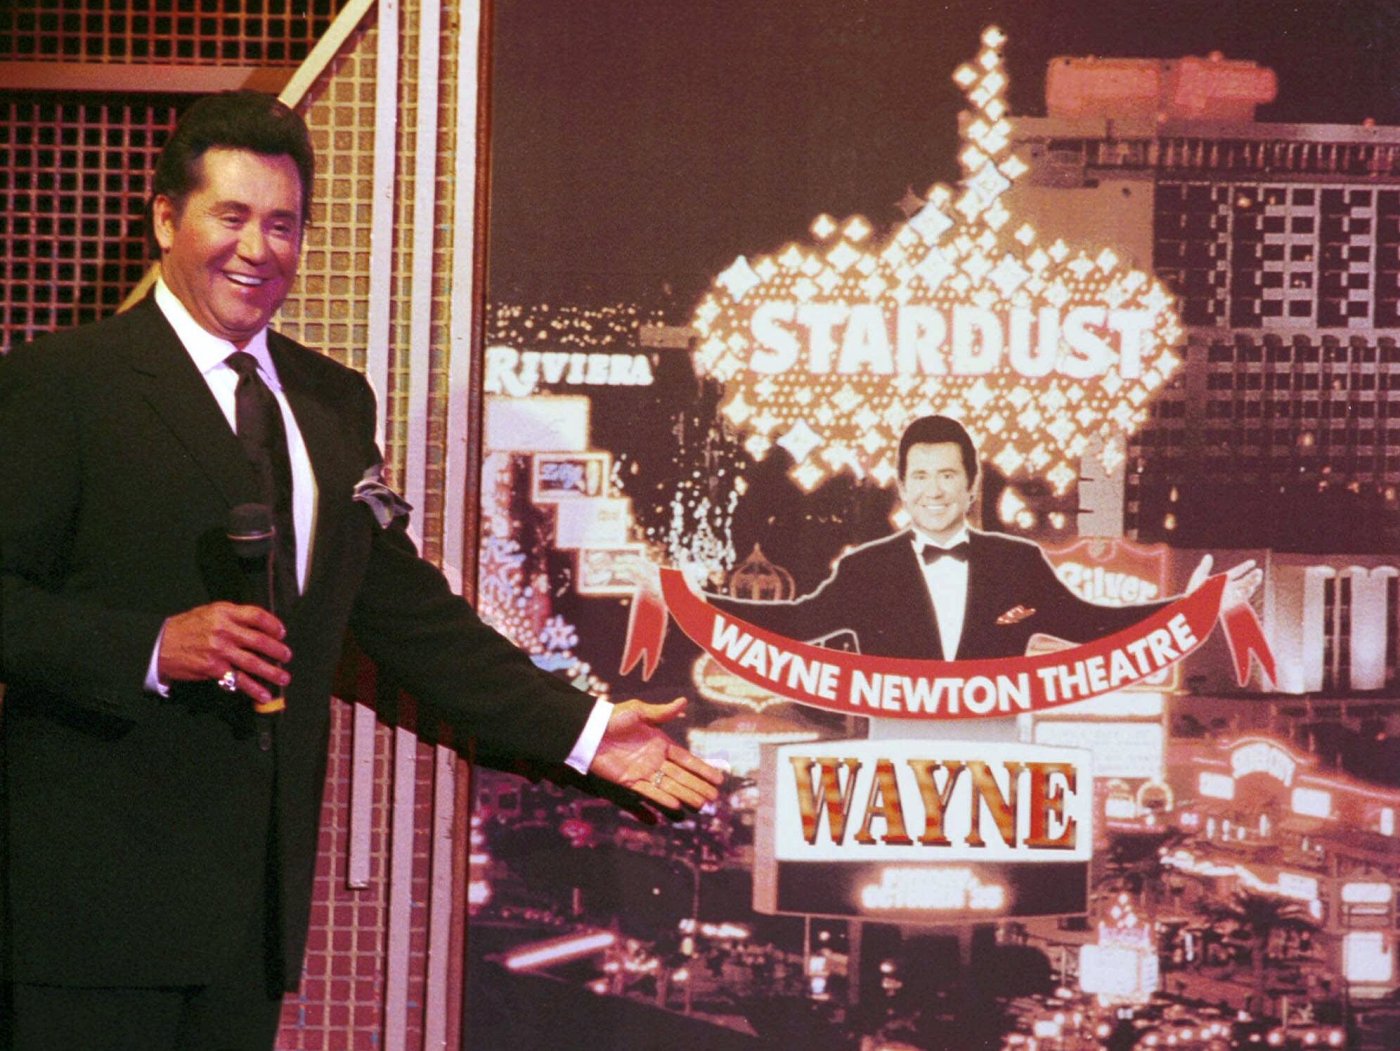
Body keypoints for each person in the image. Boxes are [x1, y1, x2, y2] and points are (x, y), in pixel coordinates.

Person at [0, 91, 722, 1051]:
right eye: (231, 215)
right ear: (167, 219)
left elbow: (407, 616)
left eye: (283, 224)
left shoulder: (331, 402)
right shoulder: (62, 384)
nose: (257, 248)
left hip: (248, 920)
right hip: (85, 912)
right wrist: (151, 646)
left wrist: (585, 731)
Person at [711, 414, 1260, 661]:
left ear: (971, 484)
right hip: (890, 762)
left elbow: (1093, 626)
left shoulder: (1017, 562)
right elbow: (796, 623)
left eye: (947, 475)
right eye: (920, 477)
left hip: (998, 769)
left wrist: (1193, 608)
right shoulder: (866, 569)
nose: (934, 491)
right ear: (902, 487)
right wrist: (692, 604)